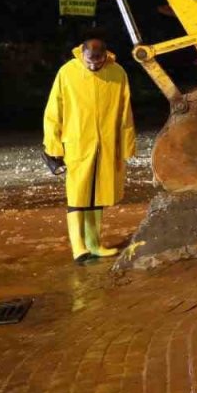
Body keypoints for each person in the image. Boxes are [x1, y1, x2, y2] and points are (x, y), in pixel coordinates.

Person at [42, 30, 136, 264]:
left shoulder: (118, 73)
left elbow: (125, 113)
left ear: (105, 56)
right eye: (89, 61)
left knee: (99, 193)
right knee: (77, 194)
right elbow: (54, 110)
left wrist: (126, 145)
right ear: (82, 54)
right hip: (77, 143)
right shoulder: (67, 72)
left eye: (98, 61)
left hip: (105, 143)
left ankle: (95, 244)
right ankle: (78, 247)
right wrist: (52, 145)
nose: (93, 66)